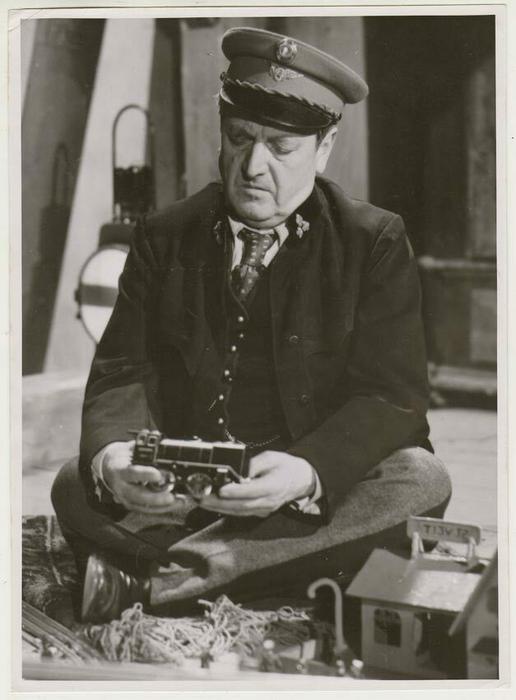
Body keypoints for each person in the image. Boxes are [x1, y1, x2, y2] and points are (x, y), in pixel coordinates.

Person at [51, 27, 452, 623]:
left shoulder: (372, 240)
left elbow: (393, 400)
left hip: (301, 498)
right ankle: (263, 572)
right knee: (74, 481)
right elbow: (122, 371)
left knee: (419, 480)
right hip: (187, 494)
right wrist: (115, 461)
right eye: (239, 138)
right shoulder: (164, 235)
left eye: (281, 148)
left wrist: (306, 472)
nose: (253, 167)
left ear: (324, 147)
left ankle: (154, 585)